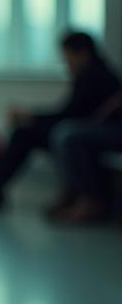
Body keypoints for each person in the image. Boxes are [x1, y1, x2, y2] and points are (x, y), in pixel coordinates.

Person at [0, 31, 122, 210]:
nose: (67, 64)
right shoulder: (89, 74)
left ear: (82, 53)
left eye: (68, 58)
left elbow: (71, 115)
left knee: (57, 133)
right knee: (26, 132)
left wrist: (32, 117)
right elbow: (70, 112)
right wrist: (33, 118)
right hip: (87, 127)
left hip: (96, 130)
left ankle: (85, 198)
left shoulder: (96, 76)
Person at [48, 91, 122, 225]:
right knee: (64, 131)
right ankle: (75, 193)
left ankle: (90, 200)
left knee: (71, 137)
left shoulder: (97, 75)